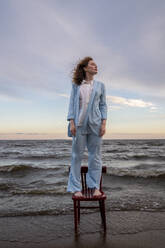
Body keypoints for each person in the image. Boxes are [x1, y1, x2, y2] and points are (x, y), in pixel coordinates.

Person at [67, 56, 107, 197]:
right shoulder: (76, 85)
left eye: (96, 65)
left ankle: (95, 187)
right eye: (92, 64)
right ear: (85, 68)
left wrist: (103, 124)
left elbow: (103, 105)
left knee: (95, 156)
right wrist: (71, 122)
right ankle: (76, 188)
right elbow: (72, 104)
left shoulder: (100, 86)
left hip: (95, 125)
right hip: (78, 126)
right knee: (76, 156)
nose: (95, 66)